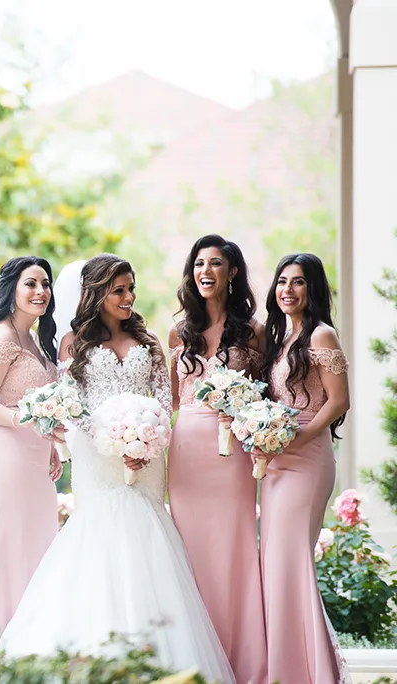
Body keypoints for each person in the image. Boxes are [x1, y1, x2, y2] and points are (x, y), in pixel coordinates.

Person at [0, 253, 234, 683]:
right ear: (97, 293)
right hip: (97, 456)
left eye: (131, 289)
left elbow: (166, 400)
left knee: (150, 538)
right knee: (99, 536)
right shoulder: (73, 343)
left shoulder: (148, 341)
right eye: (119, 290)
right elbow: (75, 406)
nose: (129, 298)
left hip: (147, 459)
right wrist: (114, 442)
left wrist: (147, 441)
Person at [166, 235, 267, 683]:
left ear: (233, 272)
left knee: (234, 546)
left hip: (232, 453)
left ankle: (242, 661)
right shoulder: (178, 332)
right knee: (188, 549)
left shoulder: (254, 333)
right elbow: (168, 399)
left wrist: (243, 416)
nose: (205, 271)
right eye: (199, 264)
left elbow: (267, 395)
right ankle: (194, 661)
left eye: (216, 263)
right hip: (186, 448)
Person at [259, 253, 351, 683]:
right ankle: (286, 665)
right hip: (277, 462)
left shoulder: (322, 334)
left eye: (298, 282)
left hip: (308, 461)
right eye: (282, 281)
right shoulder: (282, 338)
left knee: (292, 560)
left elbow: (338, 401)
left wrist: (299, 435)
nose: (287, 290)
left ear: (312, 289)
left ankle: (311, 671)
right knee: (275, 563)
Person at [0, 255, 62, 643]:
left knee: (36, 545)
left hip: (34, 458)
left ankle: (31, 641)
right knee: (9, 544)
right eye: (31, 284)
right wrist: (30, 419)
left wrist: (49, 439)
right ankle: (1, 642)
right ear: (12, 290)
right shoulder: (0, 337)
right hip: (2, 455)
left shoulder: (34, 339)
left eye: (45, 284)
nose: (40, 292)